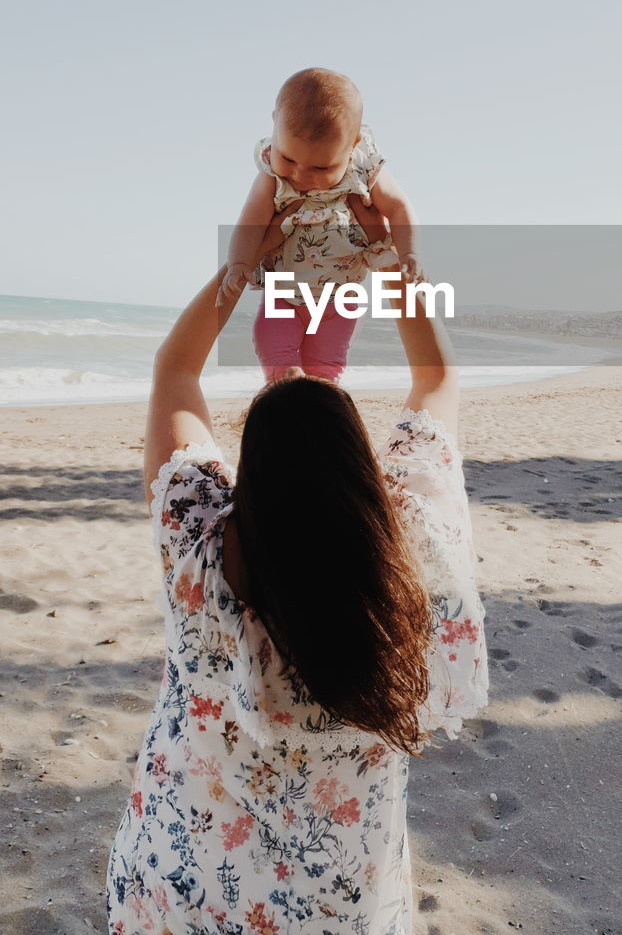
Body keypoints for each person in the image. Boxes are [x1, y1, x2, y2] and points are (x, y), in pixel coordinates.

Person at [106, 206, 488, 935]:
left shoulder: (201, 555)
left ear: (247, 481)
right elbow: (437, 378)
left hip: (187, 882)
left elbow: (175, 370)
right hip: (340, 902)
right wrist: (396, 257)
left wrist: (240, 266)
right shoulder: (416, 557)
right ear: (366, 474)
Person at [217, 67, 421, 383]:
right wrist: (238, 264)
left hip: (341, 299)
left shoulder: (363, 167)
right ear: (274, 126)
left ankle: (320, 393)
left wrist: (410, 253)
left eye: (321, 167)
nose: (301, 175)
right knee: (275, 352)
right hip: (283, 294)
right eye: (289, 159)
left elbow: (398, 207)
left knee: (327, 367)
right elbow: (251, 222)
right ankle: (285, 382)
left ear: (353, 146)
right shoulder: (272, 173)